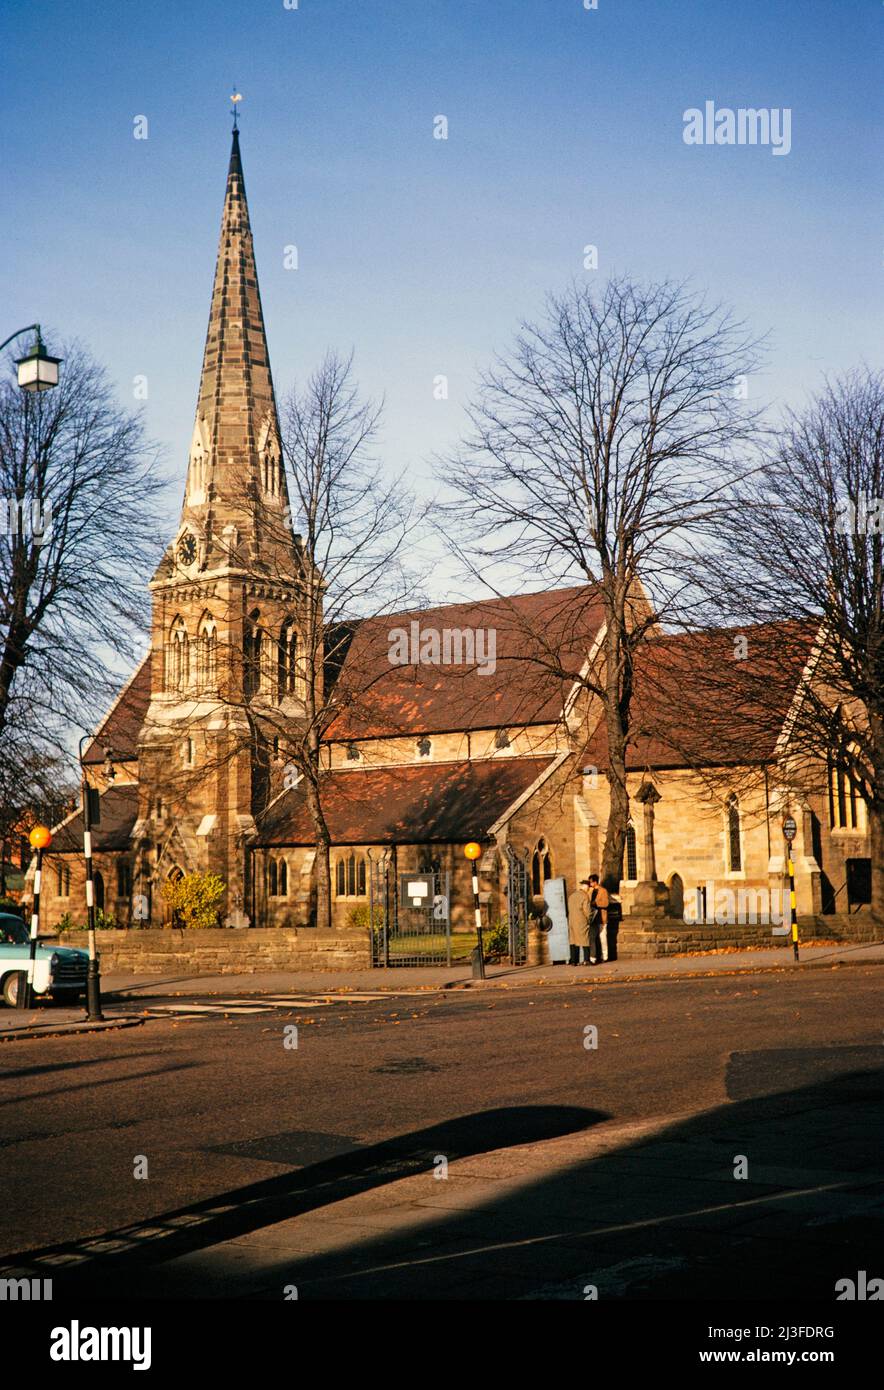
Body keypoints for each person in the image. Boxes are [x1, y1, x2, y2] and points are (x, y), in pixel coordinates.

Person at [567, 878, 593, 965]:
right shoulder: (585, 896)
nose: (589, 889)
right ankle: (586, 960)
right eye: (589, 887)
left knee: (573, 940)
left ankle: (574, 961)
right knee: (585, 940)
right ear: (586, 887)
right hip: (581, 921)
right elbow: (587, 911)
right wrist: (589, 920)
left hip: (571, 921)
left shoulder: (572, 896)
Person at [587, 873, 610, 963]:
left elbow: (606, 903)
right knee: (593, 937)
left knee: (602, 937)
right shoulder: (590, 891)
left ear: (595, 882)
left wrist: (596, 903)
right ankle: (594, 957)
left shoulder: (603, 891)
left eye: (591, 882)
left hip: (601, 917)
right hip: (593, 917)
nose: (590, 884)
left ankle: (605, 956)